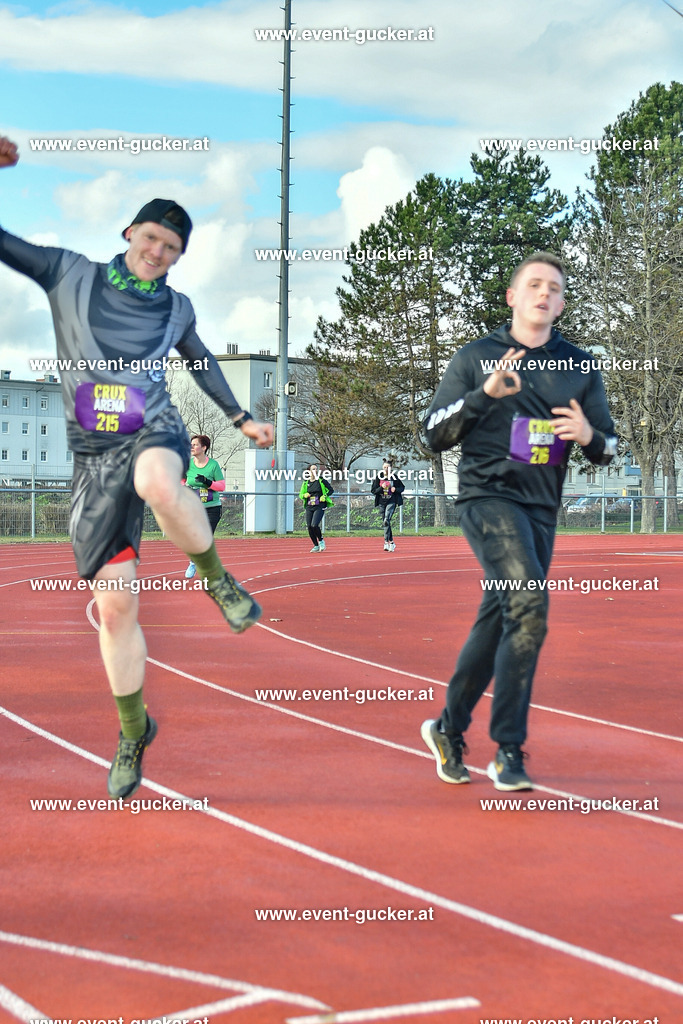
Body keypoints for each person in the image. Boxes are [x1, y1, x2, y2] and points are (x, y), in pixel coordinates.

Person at [0, 136, 273, 799]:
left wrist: (239, 417)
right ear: (129, 232)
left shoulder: (177, 308)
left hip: (152, 427)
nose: (158, 252)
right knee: (116, 607)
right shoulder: (68, 272)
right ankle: (132, 731)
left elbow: (199, 359)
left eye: (172, 247)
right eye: (152, 237)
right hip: (95, 457)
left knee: (158, 482)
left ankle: (217, 580)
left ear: (179, 256)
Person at [420, 252, 616, 791]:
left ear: (562, 302)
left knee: (500, 617)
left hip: (540, 509)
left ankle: (447, 729)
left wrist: (588, 436)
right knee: (528, 604)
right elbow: (432, 432)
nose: (544, 293)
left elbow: (608, 445)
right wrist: (483, 395)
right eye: (533, 284)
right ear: (512, 296)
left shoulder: (579, 366)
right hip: (486, 499)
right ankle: (508, 749)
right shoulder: (476, 357)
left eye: (554, 287)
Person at [184, 434, 225, 578]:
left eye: (195, 444)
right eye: (191, 444)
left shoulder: (213, 465)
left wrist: (208, 482)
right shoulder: (188, 464)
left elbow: (222, 486)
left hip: (212, 507)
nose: (192, 447)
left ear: (204, 448)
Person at [371, 458, 405, 551]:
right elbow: (373, 491)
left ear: (391, 468)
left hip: (391, 501)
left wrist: (395, 489)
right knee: (386, 523)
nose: (386, 469)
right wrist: (381, 488)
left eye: (388, 467)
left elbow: (402, 487)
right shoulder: (379, 477)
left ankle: (386, 543)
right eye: (384, 467)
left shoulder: (394, 477)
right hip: (381, 502)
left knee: (387, 520)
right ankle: (391, 542)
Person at [298, 464, 334, 552]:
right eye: (313, 469)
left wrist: (324, 496)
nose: (315, 470)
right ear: (309, 471)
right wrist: (304, 495)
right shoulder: (306, 483)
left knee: (314, 525)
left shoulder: (321, 480)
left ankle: (321, 540)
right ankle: (316, 545)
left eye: (316, 469)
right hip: (309, 506)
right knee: (309, 526)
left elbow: (331, 490)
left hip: (319, 506)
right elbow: (301, 494)